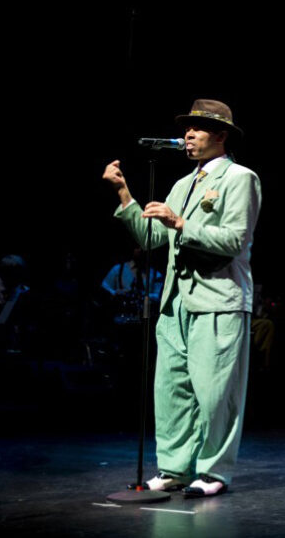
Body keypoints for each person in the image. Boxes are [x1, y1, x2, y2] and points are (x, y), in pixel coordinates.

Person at [102, 99, 261, 497]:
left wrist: (180, 222)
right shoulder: (182, 184)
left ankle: (213, 472)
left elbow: (234, 241)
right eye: (186, 128)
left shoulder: (240, 178)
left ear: (221, 135)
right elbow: (152, 238)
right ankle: (174, 468)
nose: (188, 134)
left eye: (197, 128)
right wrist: (124, 194)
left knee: (215, 394)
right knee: (171, 391)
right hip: (175, 303)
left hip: (218, 300)